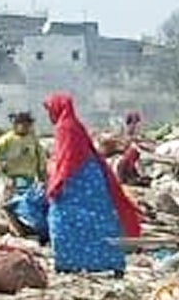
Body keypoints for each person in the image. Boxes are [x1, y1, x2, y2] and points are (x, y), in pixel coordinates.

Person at [42, 93, 142, 275]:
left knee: (62, 218)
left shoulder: (64, 127)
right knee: (98, 220)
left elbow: (67, 158)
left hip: (76, 180)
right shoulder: (74, 125)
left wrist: (56, 183)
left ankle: (69, 262)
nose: (49, 115)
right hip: (90, 179)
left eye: (49, 110)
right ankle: (109, 261)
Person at [0, 111, 46, 232]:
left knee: (27, 200)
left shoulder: (32, 139)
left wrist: (41, 172)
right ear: (15, 125)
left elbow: (40, 155)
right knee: (12, 201)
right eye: (22, 124)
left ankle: (26, 225)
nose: (25, 127)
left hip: (29, 175)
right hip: (11, 176)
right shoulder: (7, 140)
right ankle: (15, 226)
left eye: (27, 125)